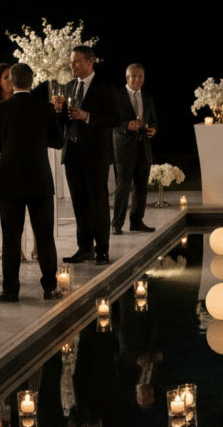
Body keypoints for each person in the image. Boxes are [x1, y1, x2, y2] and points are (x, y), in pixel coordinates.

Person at [0, 63, 65, 301]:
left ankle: (10, 291)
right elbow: (58, 142)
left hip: (10, 182)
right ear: (32, 80)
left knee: (11, 237)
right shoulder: (46, 109)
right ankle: (50, 288)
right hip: (40, 181)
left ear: (11, 80)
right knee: (45, 236)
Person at [54, 46, 121, 266]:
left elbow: (114, 119)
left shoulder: (105, 88)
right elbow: (64, 123)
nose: (72, 65)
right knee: (79, 204)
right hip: (72, 155)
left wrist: (87, 116)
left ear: (91, 62)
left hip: (96, 156)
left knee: (98, 204)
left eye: (76, 61)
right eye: (71, 62)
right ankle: (84, 249)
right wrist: (58, 112)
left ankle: (102, 249)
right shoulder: (69, 87)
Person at [0, 62, 36, 261]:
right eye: (5, 77)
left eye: (11, 77)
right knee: (14, 205)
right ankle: (18, 250)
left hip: (28, 154)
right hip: (5, 155)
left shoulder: (26, 100)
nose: (10, 81)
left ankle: (36, 246)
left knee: (34, 201)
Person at [112, 64, 158, 234]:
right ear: (127, 77)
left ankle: (136, 221)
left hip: (143, 148)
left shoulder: (147, 97)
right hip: (124, 149)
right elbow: (111, 121)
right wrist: (126, 126)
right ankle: (117, 224)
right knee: (123, 187)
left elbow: (153, 120)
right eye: (134, 76)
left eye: (141, 77)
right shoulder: (116, 96)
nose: (137, 80)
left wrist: (153, 129)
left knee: (141, 187)